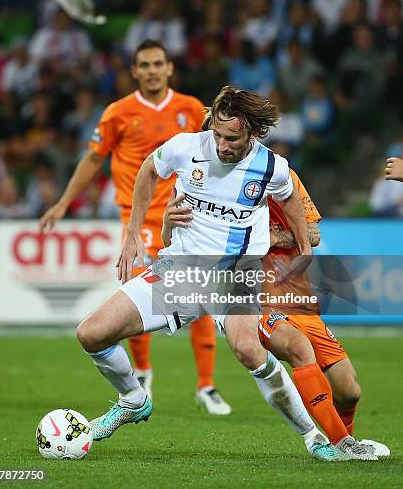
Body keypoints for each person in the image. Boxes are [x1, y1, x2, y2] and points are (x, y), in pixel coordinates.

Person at [73, 86, 347, 461]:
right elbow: (149, 169)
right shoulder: (187, 147)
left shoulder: (271, 167)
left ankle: (313, 437)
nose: (221, 145)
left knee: (248, 349)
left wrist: (303, 246)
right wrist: (133, 232)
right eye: (218, 134)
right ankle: (133, 398)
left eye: (232, 138)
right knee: (91, 334)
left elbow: (288, 198)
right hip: (181, 270)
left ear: (252, 133)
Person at [41, 39, 230, 415]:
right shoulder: (118, 113)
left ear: (169, 68)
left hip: (186, 216)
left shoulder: (191, 109)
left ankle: (206, 385)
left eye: (158, 63)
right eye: (144, 64)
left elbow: (222, 149)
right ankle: (142, 373)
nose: (152, 70)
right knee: (137, 290)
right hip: (139, 219)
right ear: (134, 71)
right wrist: (64, 202)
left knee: (202, 297)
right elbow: (93, 159)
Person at [162, 163, 387, 460]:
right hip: (256, 299)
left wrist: (266, 238)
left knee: (349, 390)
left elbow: (313, 234)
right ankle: (343, 444)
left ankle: (342, 444)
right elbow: (182, 244)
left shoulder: (284, 177)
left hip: (300, 299)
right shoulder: (207, 188)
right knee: (298, 348)